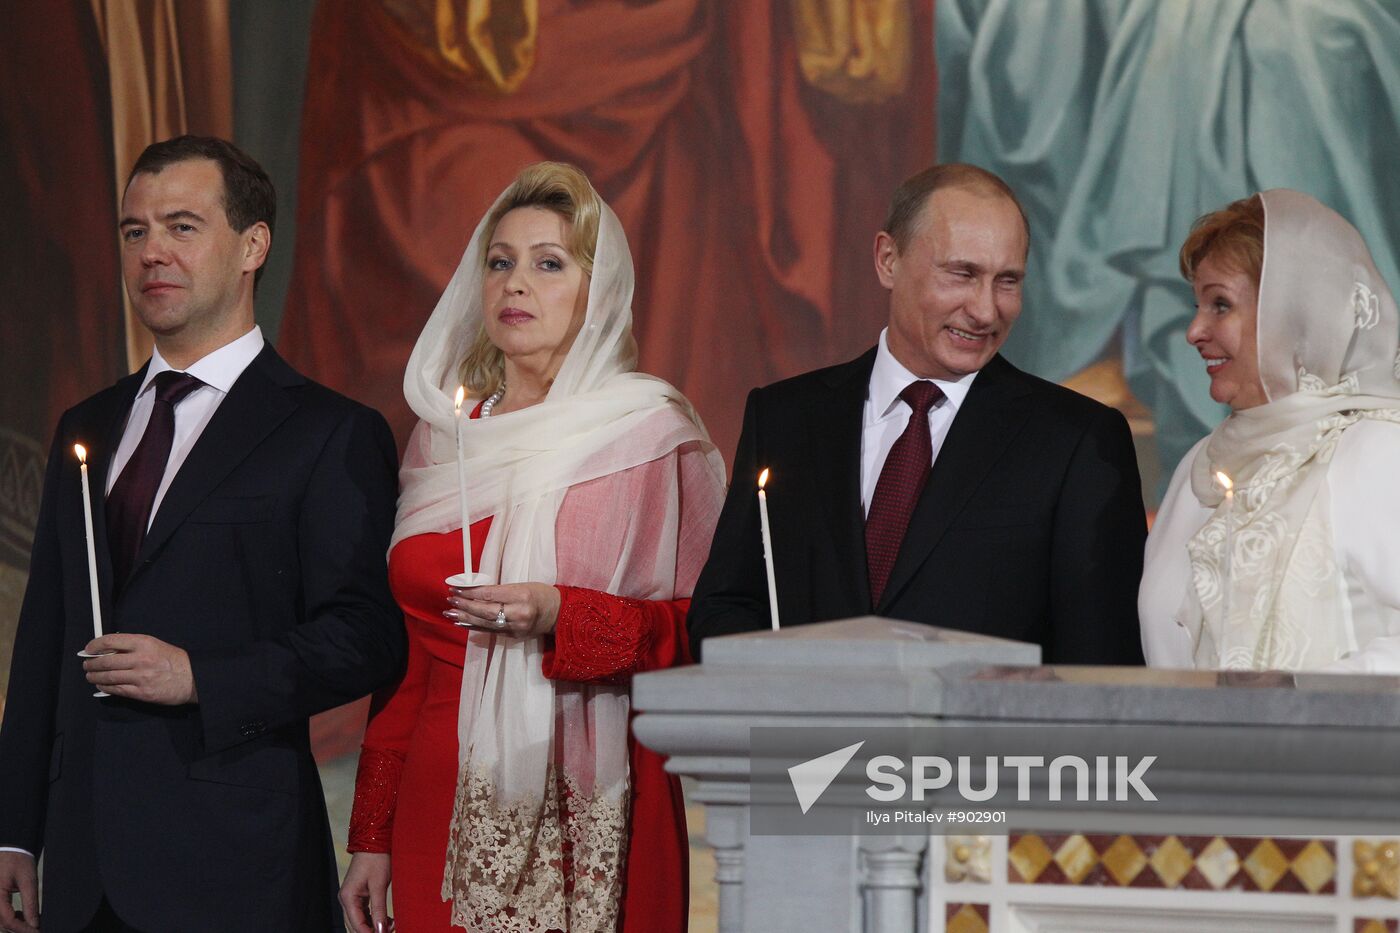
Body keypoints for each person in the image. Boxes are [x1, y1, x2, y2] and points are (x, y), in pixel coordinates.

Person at [0, 136, 405, 932]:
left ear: (253, 245)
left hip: (236, 868)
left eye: (182, 226)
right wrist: (13, 829)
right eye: (134, 231)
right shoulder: (86, 426)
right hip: (80, 873)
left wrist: (199, 677)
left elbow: (364, 636)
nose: (152, 252)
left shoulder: (328, 431)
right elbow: (44, 638)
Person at [338, 163, 726, 933]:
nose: (516, 282)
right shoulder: (444, 439)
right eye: (499, 261)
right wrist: (370, 833)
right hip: (437, 802)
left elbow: (706, 633)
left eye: (549, 263)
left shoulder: (647, 435)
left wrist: (563, 615)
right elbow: (408, 657)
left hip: (598, 801)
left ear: (598, 290)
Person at [687, 163, 1147, 664]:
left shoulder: (1078, 440)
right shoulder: (784, 419)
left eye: (1007, 281)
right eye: (962, 274)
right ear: (888, 259)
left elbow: (1102, 664)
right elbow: (726, 606)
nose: (986, 310)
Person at [1140, 190, 1400, 671]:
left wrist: (1296, 697)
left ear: (1296, 314)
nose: (1194, 331)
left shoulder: (1381, 452)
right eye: (1198, 305)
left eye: (1221, 305)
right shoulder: (1199, 466)